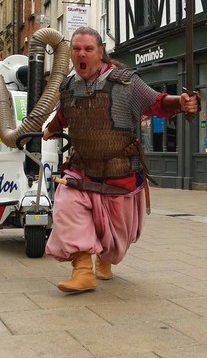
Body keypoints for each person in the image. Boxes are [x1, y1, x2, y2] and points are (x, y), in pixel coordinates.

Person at [43, 26, 200, 293]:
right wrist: (49, 129)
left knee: (115, 239)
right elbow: (64, 115)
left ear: (100, 52)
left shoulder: (126, 82)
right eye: (77, 49)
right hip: (81, 170)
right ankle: (82, 270)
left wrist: (180, 103)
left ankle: (105, 259)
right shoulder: (68, 86)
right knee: (65, 204)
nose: (82, 54)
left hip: (121, 174)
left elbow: (157, 102)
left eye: (88, 49)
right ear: (70, 54)